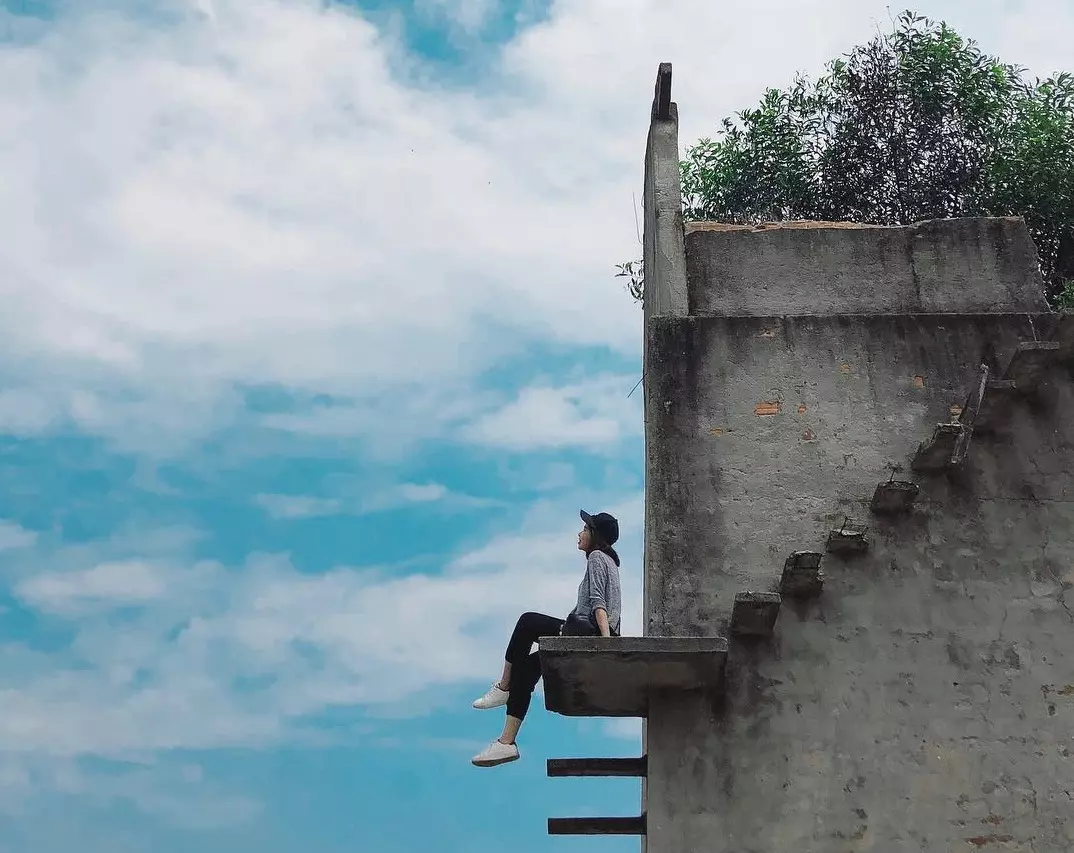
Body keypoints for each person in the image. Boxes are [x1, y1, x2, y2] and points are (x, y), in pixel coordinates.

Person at [469, 510, 622, 768]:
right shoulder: (610, 562)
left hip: (587, 634)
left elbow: (599, 602)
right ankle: (506, 744)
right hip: (590, 632)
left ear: (595, 535)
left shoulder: (597, 557)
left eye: (585, 529)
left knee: (528, 622)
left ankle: (504, 688)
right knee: (527, 669)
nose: (579, 533)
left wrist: (605, 644)